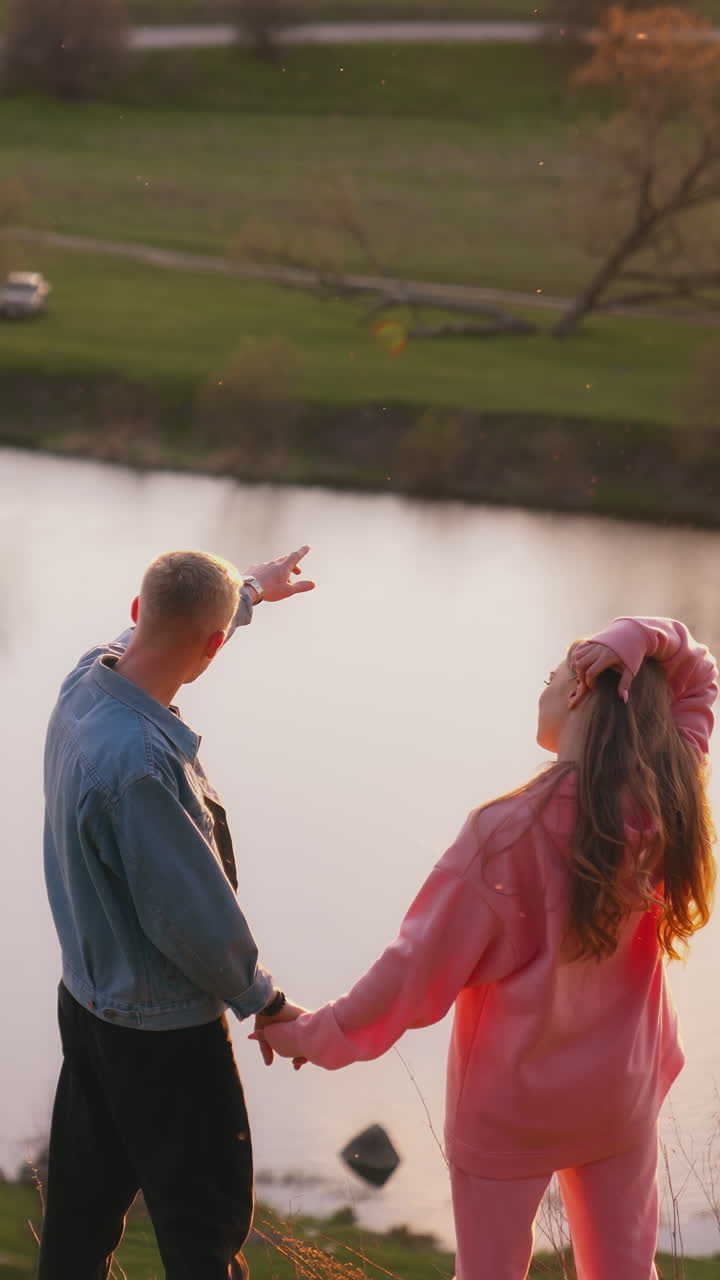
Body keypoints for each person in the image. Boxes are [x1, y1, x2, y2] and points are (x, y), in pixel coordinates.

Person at [261, 616, 718, 1280]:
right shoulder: (663, 804)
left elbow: (413, 973)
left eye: (554, 675)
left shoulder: (504, 833)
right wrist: (635, 641)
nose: (545, 686)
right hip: (619, 1096)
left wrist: (310, 1034)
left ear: (578, 694)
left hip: (513, 1109)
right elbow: (700, 673)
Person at [38, 546, 313, 1280]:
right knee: (205, 1238)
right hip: (163, 1036)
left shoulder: (83, 684)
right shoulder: (140, 770)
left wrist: (249, 590)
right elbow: (190, 915)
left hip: (89, 1004)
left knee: (77, 1228)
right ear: (214, 645)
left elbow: (172, 628)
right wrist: (266, 1000)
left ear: (135, 614)